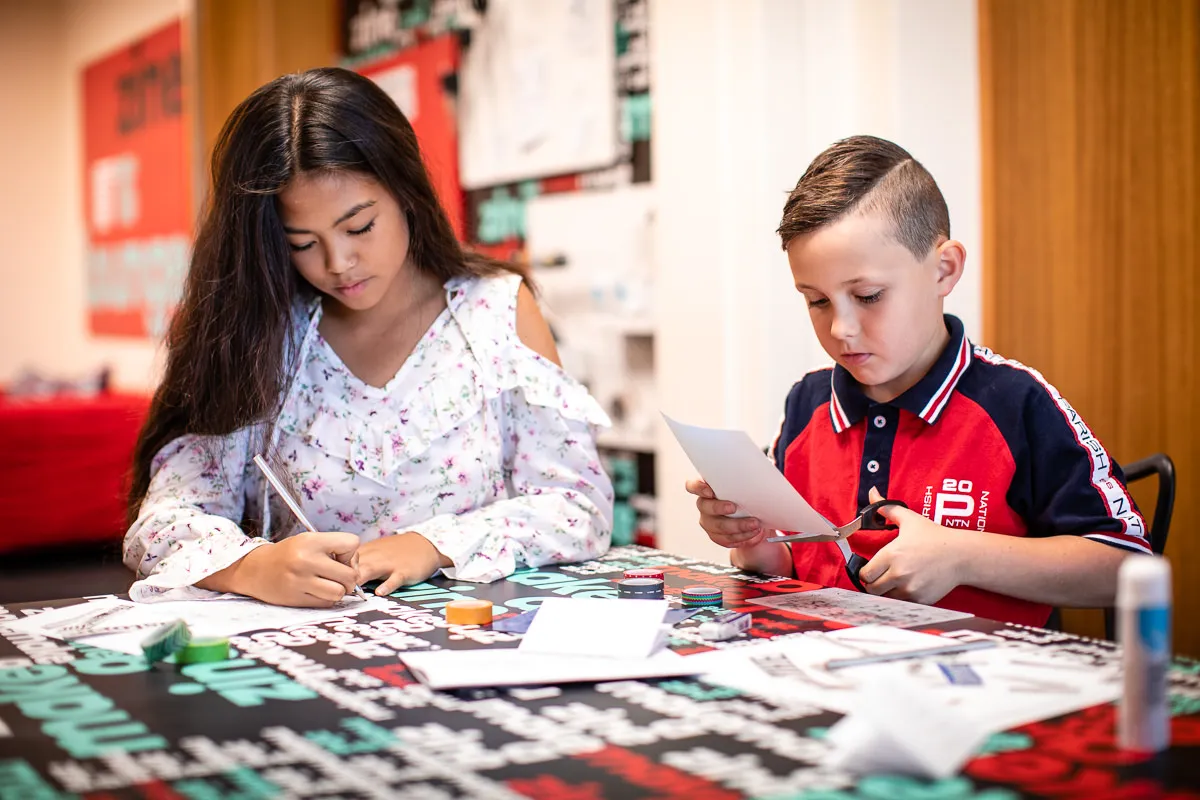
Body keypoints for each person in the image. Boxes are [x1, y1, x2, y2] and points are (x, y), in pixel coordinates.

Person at [124, 67, 614, 607]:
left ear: (405, 192)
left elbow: (576, 506)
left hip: (473, 645)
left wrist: (432, 544)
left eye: (359, 227)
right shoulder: (260, 331)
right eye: (302, 243)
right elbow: (164, 521)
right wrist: (249, 565)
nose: (339, 263)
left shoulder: (494, 312)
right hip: (309, 652)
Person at [687, 135, 1149, 627]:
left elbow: (1128, 569)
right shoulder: (807, 403)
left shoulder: (1016, 404)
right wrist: (756, 541)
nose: (841, 328)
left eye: (867, 296)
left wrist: (963, 556)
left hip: (977, 688)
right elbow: (796, 567)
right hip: (829, 676)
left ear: (944, 270)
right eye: (817, 301)